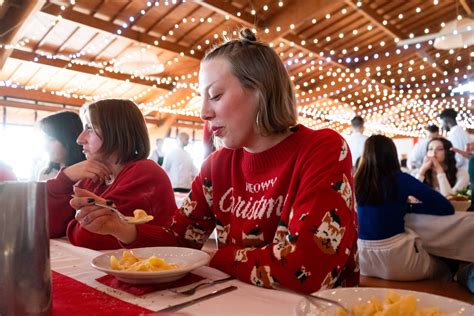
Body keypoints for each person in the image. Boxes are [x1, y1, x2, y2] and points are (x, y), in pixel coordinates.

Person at [70, 29, 359, 294]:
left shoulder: (323, 148)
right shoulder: (217, 165)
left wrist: (210, 257)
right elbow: (179, 241)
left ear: (261, 90)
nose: (204, 112)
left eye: (215, 95)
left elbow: (306, 269)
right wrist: (122, 228)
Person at [47, 99, 176, 246]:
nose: (79, 139)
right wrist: (66, 177)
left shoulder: (145, 173)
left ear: (116, 132)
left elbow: (87, 236)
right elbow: (48, 225)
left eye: (89, 128)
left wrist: (69, 224)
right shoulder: (94, 177)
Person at [355, 135, 454, 281]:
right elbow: (446, 207)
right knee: (446, 268)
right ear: (392, 155)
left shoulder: (356, 182)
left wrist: (402, 206)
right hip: (397, 258)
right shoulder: (399, 179)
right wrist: (409, 207)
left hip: (364, 261)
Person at [38, 111, 86, 180]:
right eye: (45, 139)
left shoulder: (87, 174)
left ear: (69, 139)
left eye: (51, 139)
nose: (45, 146)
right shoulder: (46, 174)